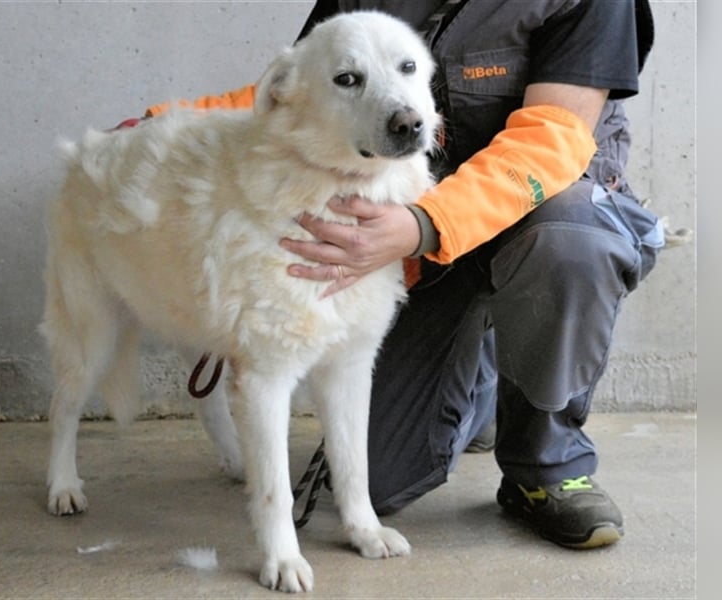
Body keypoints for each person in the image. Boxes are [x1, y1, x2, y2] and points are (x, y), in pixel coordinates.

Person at [143, 0, 662, 549]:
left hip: (539, 213)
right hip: (420, 231)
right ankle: (481, 381)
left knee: (568, 243)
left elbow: (552, 137)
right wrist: (160, 124)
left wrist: (424, 223)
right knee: (383, 479)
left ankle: (548, 467)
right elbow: (303, 85)